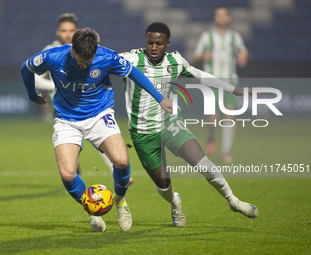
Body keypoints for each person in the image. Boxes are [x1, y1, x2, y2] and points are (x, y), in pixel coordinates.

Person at [21, 28, 172, 232]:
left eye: (89, 61)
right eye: (81, 60)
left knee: (121, 161)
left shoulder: (106, 56)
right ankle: (91, 211)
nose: (85, 64)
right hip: (67, 119)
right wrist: (33, 96)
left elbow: (135, 73)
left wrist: (160, 98)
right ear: (72, 49)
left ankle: (120, 202)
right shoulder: (53, 56)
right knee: (67, 174)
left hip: (99, 115)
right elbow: (26, 68)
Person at [120, 22, 258, 227]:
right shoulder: (129, 60)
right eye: (150, 42)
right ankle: (175, 201)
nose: (154, 47)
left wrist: (233, 90)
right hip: (142, 133)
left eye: (159, 43)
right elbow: (103, 61)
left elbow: (202, 76)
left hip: (169, 123)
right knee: (163, 186)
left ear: (167, 44)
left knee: (202, 162)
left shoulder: (176, 61)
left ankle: (233, 201)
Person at [34, 14, 134, 183]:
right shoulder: (50, 51)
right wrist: (54, 86)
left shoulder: (86, 51)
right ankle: (75, 174)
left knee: (100, 136)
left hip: (87, 101)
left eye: (71, 30)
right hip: (62, 105)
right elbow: (35, 77)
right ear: (58, 31)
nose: (67, 34)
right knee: (72, 146)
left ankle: (112, 169)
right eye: (64, 30)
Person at [194, 7, 249, 163]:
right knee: (214, 118)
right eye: (218, 15)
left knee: (229, 116)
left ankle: (225, 152)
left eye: (224, 15)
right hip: (211, 80)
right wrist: (203, 56)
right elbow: (196, 55)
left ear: (229, 18)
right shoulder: (207, 36)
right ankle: (211, 134)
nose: (221, 18)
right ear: (215, 18)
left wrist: (244, 54)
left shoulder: (234, 37)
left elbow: (243, 51)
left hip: (230, 81)